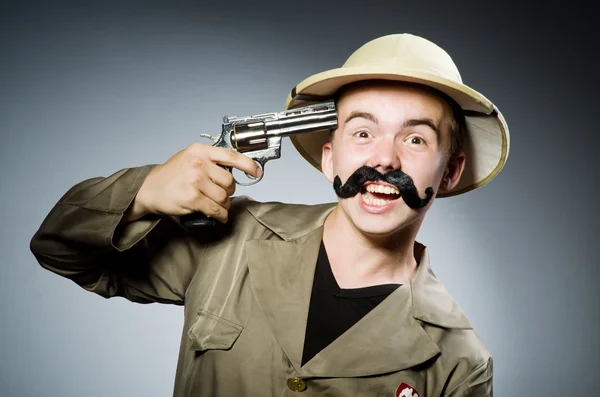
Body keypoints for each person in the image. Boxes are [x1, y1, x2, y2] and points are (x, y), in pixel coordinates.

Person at [30, 33, 509, 396]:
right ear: (328, 157)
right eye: (362, 133)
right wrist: (144, 192)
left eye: (415, 138)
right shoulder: (230, 240)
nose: (383, 160)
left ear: (450, 173)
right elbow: (58, 248)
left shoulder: (460, 364)